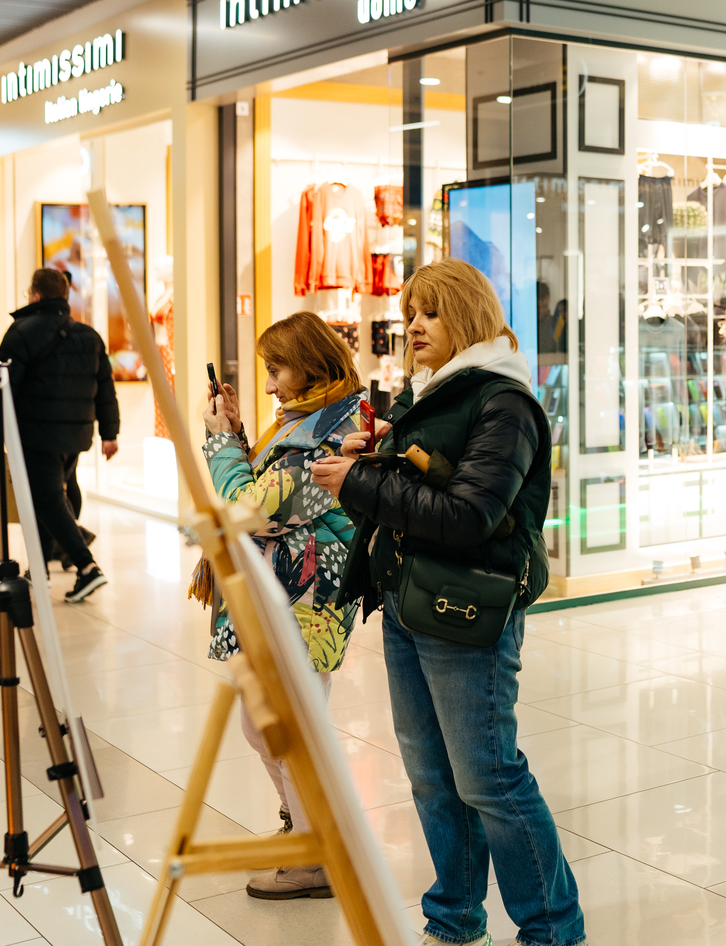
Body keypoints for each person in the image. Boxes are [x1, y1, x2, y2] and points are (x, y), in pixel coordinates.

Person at [313, 259, 586, 946]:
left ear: (464, 315)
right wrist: (372, 460)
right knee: (433, 779)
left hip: (468, 610)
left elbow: (468, 515)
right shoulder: (432, 393)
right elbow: (427, 483)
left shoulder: (503, 401)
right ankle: (455, 920)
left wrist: (360, 485)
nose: (413, 327)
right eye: (410, 314)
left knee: (488, 777)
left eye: (429, 313)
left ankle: (553, 930)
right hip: (412, 600)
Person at [200, 310, 369, 901]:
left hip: (304, 603)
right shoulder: (307, 421)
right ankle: (305, 825)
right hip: (289, 600)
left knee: (281, 727)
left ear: (311, 365)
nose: (268, 384)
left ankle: (316, 848)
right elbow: (269, 492)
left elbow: (249, 508)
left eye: (276, 370)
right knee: (270, 724)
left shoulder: (325, 433)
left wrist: (222, 442)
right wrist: (242, 437)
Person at [0, 268, 119, 602]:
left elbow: (2, 386)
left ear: (35, 296)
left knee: (48, 501)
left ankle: (87, 567)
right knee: (46, 498)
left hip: (36, 434)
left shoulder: (20, 332)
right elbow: (106, 388)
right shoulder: (89, 336)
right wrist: (110, 432)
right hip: (76, 436)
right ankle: (39, 567)